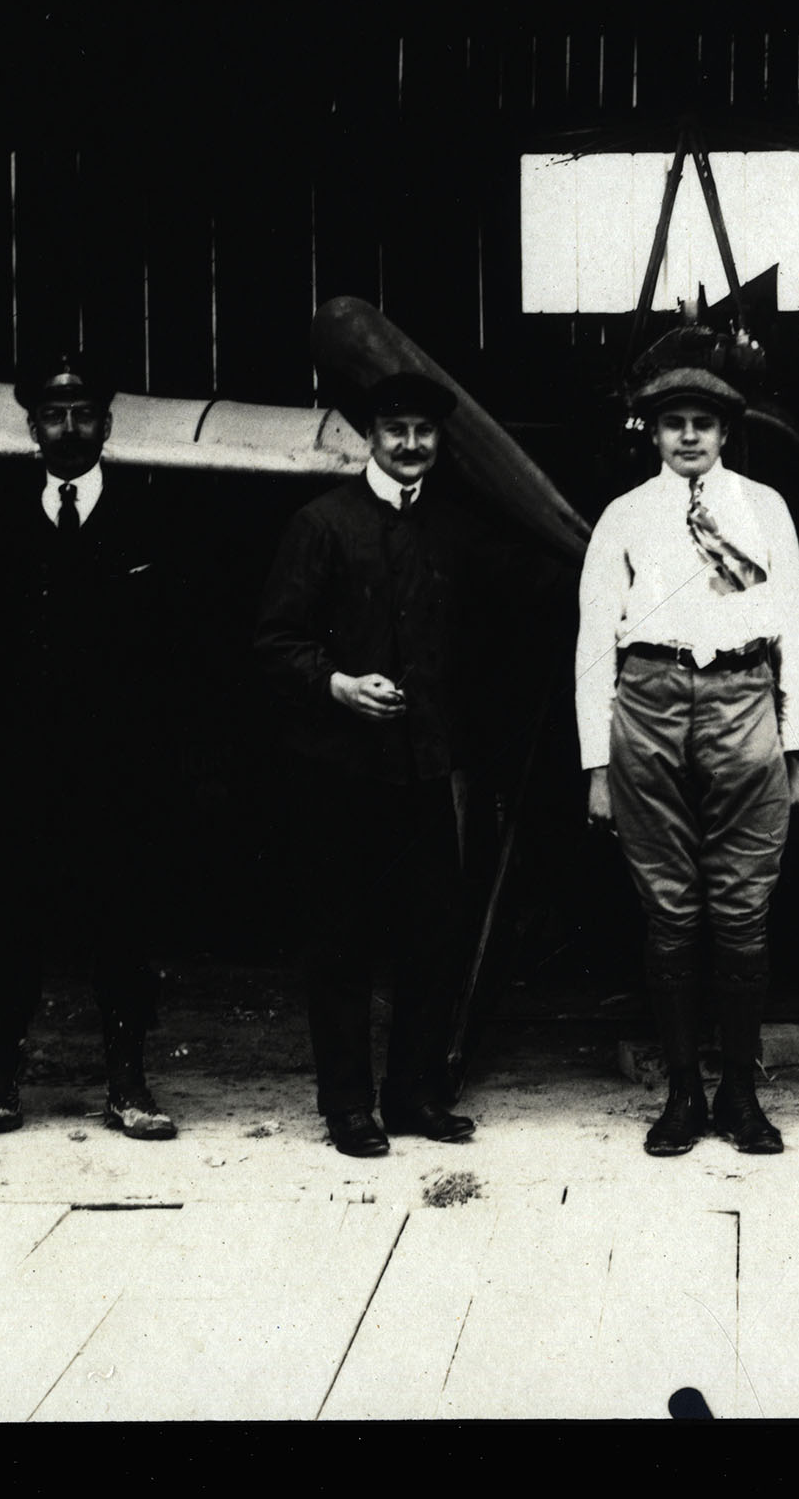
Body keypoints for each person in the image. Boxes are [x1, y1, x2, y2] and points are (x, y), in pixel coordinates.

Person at [0, 353, 177, 1152]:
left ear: (106, 421)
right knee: (5, 933)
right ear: (31, 426)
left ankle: (129, 1084)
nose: (68, 429)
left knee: (124, 932)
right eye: (52, 416)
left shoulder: (152, 513)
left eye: (83, 414)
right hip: (16, 771)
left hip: (119, 771)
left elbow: (184, 648)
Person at [255, 371, 508, 1158]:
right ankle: (347, 1106)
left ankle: (412, 1097)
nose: (408, 445)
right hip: (337, 773)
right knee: (339, 944)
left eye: (423, 432)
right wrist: (336, 683)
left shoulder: (459, 529)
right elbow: (275, 642)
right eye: (394, 429)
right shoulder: (320, 524)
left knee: (430, 939)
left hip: (427, 774)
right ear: (368, 436)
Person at [576, 366, 799, 1159]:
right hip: (645, 699)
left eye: (703, 424)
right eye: (673, 422)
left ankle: (741, 1093)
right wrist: (596, 765)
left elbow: (797, 628)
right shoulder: (624, 516)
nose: (688, 436)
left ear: (724, 433)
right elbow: (591, 645)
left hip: (741, 694)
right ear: (651, 432)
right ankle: (683, 1090)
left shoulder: (763, 507)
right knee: (670, 910)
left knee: (744, 907)